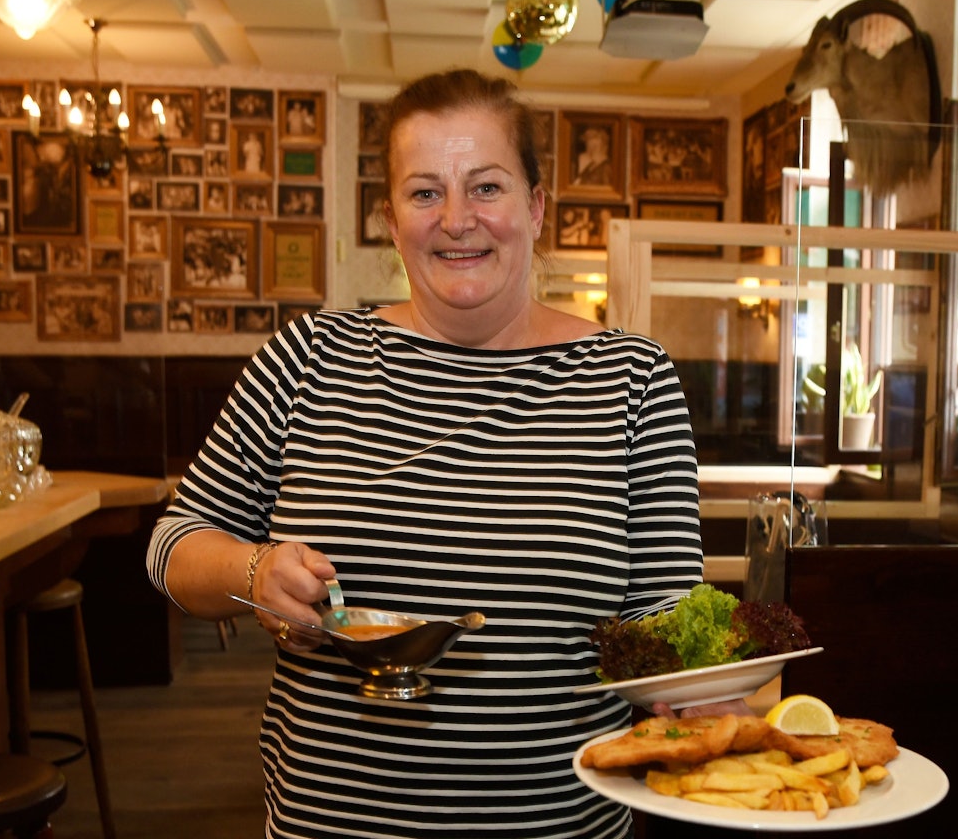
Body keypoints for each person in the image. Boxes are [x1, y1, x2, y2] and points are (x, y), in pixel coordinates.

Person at [146, 67, 704, 838]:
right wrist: (252, 571)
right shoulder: (308, 356)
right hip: (333, 823)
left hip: (556, 825)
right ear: (390, 218)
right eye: (424, 192)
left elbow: (665, 611)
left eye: (486, 187)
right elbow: (173, 545)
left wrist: (712, 686)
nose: (456, 219)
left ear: (537, 206)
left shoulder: (632, 378)